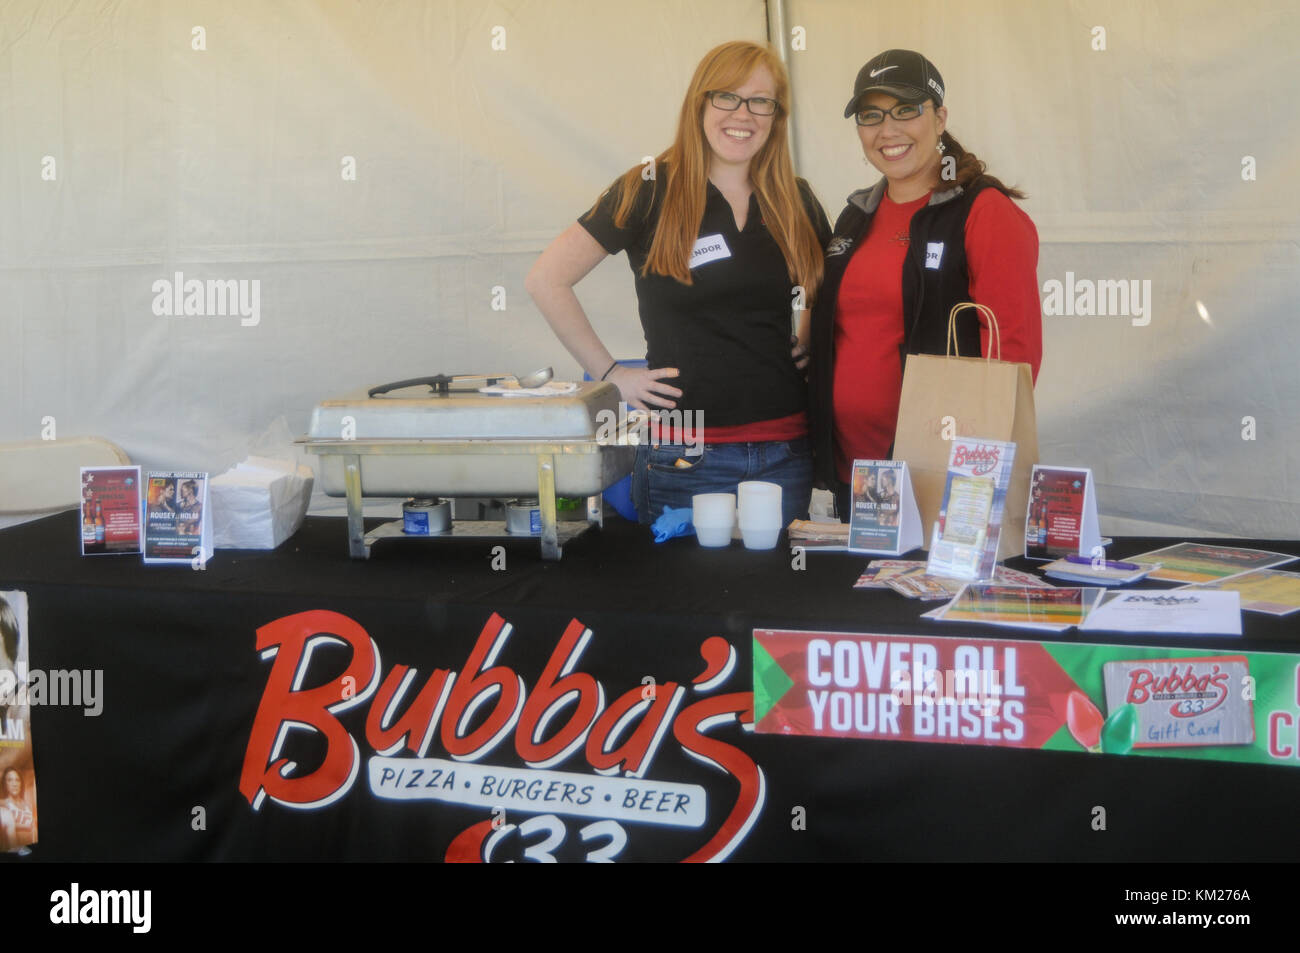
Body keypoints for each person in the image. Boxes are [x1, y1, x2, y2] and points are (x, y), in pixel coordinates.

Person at [526, 41, 831, 527]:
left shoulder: (796, 198)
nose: (743, 114)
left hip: (786, 453)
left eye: (761, 101)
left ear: (777, 115)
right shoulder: (647, 187)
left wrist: (811, 333)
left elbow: (831, 284)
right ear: (700, 103)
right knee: (687, 599)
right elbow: (547, 279)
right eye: (727, 96)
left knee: (780, 598)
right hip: (683, 458)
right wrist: (610, 374)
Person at [808, 50, 1042, 517]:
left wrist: (973, 474)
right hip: (856, 475)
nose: (887, 130)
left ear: (940, 118)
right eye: (871, 115)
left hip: (941, 475)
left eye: (906, 110)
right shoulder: (855, 216)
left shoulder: (984, 211)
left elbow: (1014, 352)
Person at [0, 767, 35, 851]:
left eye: (17, 780)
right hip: (14, 850)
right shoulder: (2, 803)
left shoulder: (28, 805)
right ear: (5, 784)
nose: (14, 784)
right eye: (10, 780)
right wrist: (25, 826)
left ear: (21, 783)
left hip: (31, 846)